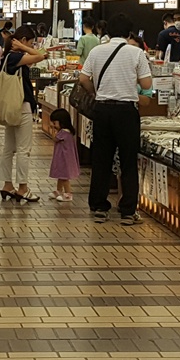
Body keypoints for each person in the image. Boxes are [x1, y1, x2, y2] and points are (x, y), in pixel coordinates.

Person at [81, 13, 153, 226]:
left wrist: (96, 92)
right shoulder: (136, 53)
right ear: (129, 32)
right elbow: (147, 85)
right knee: (128, 161)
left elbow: (83, 79)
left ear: (106, 31)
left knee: (101, 159)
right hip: (126, 111)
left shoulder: (96, 51)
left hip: (102, 110)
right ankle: (128, 211)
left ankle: (99, 207)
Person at [0, 26, 48, 203]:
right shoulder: (17, 57)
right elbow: (42, 55)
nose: (32, 45)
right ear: (24, 40)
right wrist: (22, 47)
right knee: (23, 150)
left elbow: (39, 54)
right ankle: (23, 188)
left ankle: (7, 185)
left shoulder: (7, 57)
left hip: (10, 107)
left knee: (8, 148)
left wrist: (20, 45)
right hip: (22, 106)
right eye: (31, 42)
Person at [44, 107, 80, 203]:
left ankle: (68, 193)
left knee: (64, 177)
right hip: (63, 157)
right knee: (61, 175)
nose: (53, 125)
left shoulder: (64, 132)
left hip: (64, 158)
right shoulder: (68, 132)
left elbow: (55, 138)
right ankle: (59, 190)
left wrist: (53, 130)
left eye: (55, 123)